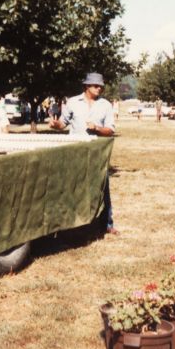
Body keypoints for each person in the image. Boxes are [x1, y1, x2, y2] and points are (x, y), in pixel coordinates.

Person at [49, 72, 119, 235]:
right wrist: (55, 124)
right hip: (75, 152)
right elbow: (63, 123)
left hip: (96, 153)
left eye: (101, 86)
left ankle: (107, 224)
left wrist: (98, 128)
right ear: (87, 86)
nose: (99, 88)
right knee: (72, 188)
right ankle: (69, 226)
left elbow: (110, 130)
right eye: (96, 86)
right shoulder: (72, 102)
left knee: (103, 187)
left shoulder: (106, 105)